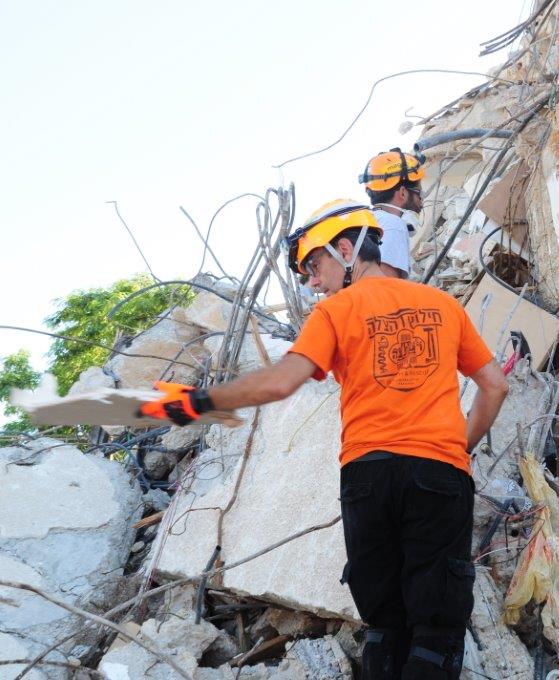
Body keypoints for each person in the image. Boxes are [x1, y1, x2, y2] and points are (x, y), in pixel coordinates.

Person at [139, 199, 509, 679]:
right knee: (435, 631)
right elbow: (495, 385)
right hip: (439, 475)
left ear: (346, 247)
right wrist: (459, 445)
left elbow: (280, 383)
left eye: (314, 266)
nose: (313, 281)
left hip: (367, 477)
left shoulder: (337, 311)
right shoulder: (443, 305)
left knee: (383, 626)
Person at [360, 147, 425, 279]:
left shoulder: (368, 222)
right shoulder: (393, 225)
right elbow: (387, 288)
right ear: (403, 193)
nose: (421, 201)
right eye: (418, 193)